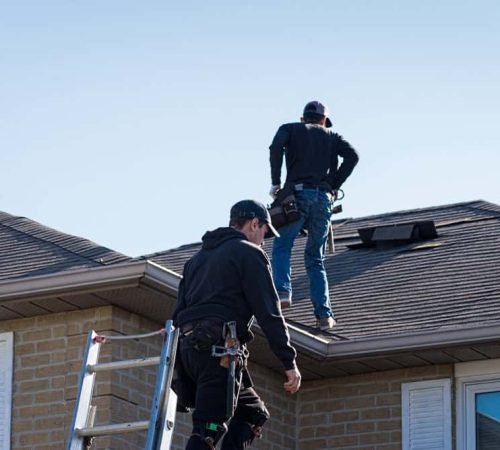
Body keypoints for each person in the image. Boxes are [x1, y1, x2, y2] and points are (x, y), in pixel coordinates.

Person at [173, 199, 301, 450]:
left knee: (253, 413)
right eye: (265, 232)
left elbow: (177, 313)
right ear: (255, 223)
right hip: (217, 352)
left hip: (190, 353)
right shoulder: (249, 253)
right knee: (209, 428)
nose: (264, 240)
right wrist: (289, 362)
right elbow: (269, 313)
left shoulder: (195, 261)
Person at [269, 100, 359, 330]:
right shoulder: (333, 136)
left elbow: (275, 147)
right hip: (323, 199)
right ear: (323, 120)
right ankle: (324, 315)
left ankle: (282, 292)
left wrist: (276, 182)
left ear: (303, 118)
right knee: (315, 258)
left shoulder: (290, 129)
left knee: (282, 244)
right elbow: (353, 156)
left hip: (297, 196)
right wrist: (333, 183)